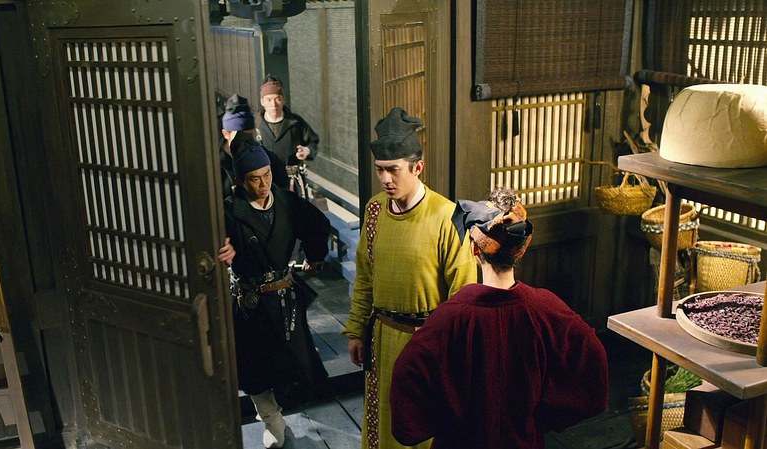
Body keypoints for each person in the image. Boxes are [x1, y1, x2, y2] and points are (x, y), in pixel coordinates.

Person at [389, 188, 609, 449]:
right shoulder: (547, 308)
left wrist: (437, 421)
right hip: (523, 441)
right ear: (520, 251)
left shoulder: (448, 317)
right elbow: (592, 362)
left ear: (474, 249)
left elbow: (407, 375)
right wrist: (542, 417)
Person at [341, 107, 477, 449]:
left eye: (394, 170)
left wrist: (450, 354)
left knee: (423, 429)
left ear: (418, 167)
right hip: (381, 338)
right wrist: (357, 330)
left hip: (427, 343)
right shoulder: (375, 211)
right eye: (380, 170)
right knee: (383, 424)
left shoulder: (447, 216)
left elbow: (463, 295)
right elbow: (366, 276)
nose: (386, 179)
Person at [216, 143, 330, 449]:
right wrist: (223, 251)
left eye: (267, 175)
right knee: (255, 370)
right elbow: (214, 242)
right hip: (250, 302)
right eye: (255, 178)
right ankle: (271, 420)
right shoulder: (228, 210)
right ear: (240, 181)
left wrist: (315, 256)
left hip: (284, 298)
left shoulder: (287, 201)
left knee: (296, 365)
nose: (263, 184)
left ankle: (278, 413)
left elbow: (317, 225)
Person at [255, 74, 320, 198]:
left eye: (277, 99)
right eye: (268, 100)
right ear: (262, 101)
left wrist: (307, 151)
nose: (273, 104)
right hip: (264, 184)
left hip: (291, 183)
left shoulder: (296, 122)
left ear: (283, 99)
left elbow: (313, 142)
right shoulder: (255, 125)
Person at [219, 93, 289, 198]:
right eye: (241, 136)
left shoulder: (271, 161)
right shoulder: (215, 166)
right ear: (226, 134)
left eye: (250, 135)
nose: (247, 141)